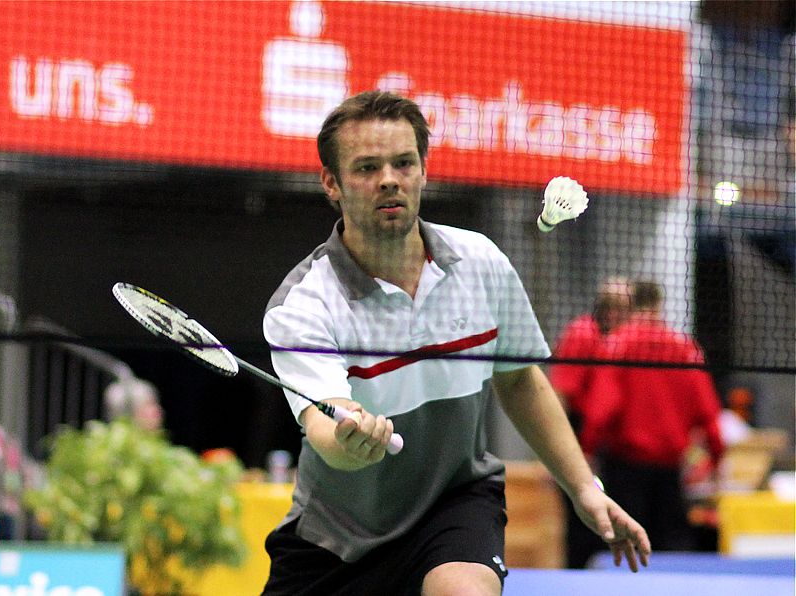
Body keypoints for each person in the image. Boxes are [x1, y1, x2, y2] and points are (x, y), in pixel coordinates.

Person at [261, 90, 650, 596]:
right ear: (331, 183)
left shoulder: (481, 263)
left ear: (423, 170)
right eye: (366, 167)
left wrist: (583, 488)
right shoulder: (303, 304)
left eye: (404, 162)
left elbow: (521, 382)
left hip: (455, 501)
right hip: (338, 534)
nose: (388, 180)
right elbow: (326, 428)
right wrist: (353, 444)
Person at [579, 280, 725, 552]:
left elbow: (603, 407)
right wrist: (717, 457)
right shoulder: (685, 348)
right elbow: (708, 411)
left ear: (632, 304)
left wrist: (586, 450)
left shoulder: (617, 344)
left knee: (625, 547)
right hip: (670, 470)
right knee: (671, 550)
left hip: (625, 469)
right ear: (659, 305)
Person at [548, 276, 632, 568]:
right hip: (579, 445)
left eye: (625, 306)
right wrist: (565, 453)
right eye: (613, 306)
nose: (618, 313)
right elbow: (559, 395)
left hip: (610, 454)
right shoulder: (582, 333)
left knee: (608, 532)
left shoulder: (624, 339)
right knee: (583, 532)